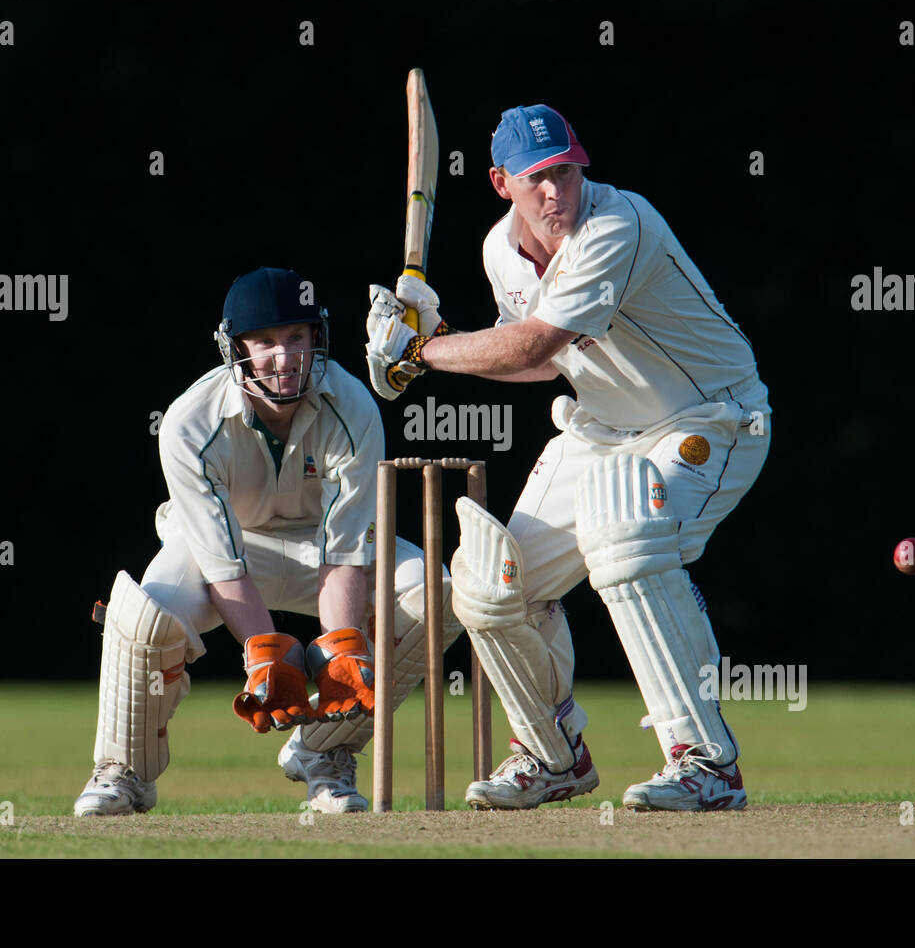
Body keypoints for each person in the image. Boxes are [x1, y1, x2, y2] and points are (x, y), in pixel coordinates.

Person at [365, 105, 771, 811]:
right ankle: (552, 754)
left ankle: (705, 761)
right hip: (601, 431)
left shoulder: (619, 224)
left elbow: (533, 345)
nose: (557, 192)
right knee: (489, 585)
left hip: (712, 420)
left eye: (567, 172)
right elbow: (535, 368)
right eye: (538, 179)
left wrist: (421, 353)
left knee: (626, 541)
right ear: (501, 183)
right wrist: (439, 338)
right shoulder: (500, 251)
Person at [75, 267, 463, 816]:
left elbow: (345, 551)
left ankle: (324, 754)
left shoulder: (353, 408)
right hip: (229, 553)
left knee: (433, 594)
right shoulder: (188, 423)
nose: (284, 359)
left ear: (316, 339)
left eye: (295, 338)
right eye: (265, 343)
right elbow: (220, 561)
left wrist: (342, 646)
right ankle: (123, 771)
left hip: (322, 555)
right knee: (144, 615)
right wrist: (263, 653)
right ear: (236, 348)